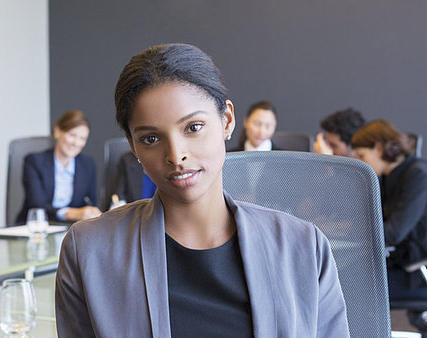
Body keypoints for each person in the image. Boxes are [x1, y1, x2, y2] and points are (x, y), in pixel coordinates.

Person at [55, 43, 349, 337]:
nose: (176, 155)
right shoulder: (89, 251)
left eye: (193, 127)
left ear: (227, 121)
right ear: (133, 146)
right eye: (151, 138)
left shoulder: (302, 246)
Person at [351, 120, 427, 331]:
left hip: (415, 273)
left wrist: (353, 237)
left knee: (348, 288)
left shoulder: (417, 175)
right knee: (341, 279)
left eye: (362, 155)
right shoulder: (386, 177)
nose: (360, 161)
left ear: (378, 147)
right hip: (396, 264)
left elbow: (393, 232)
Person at [15, 110, 101, 223]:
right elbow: (37, 204)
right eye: (72, 135)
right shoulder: (34, 161)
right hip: (37, 227)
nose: (76, 143)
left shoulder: (88, 165)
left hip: (72, 230)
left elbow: (90, 202)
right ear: (57, 131)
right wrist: (70, 213)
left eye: (82, 138)